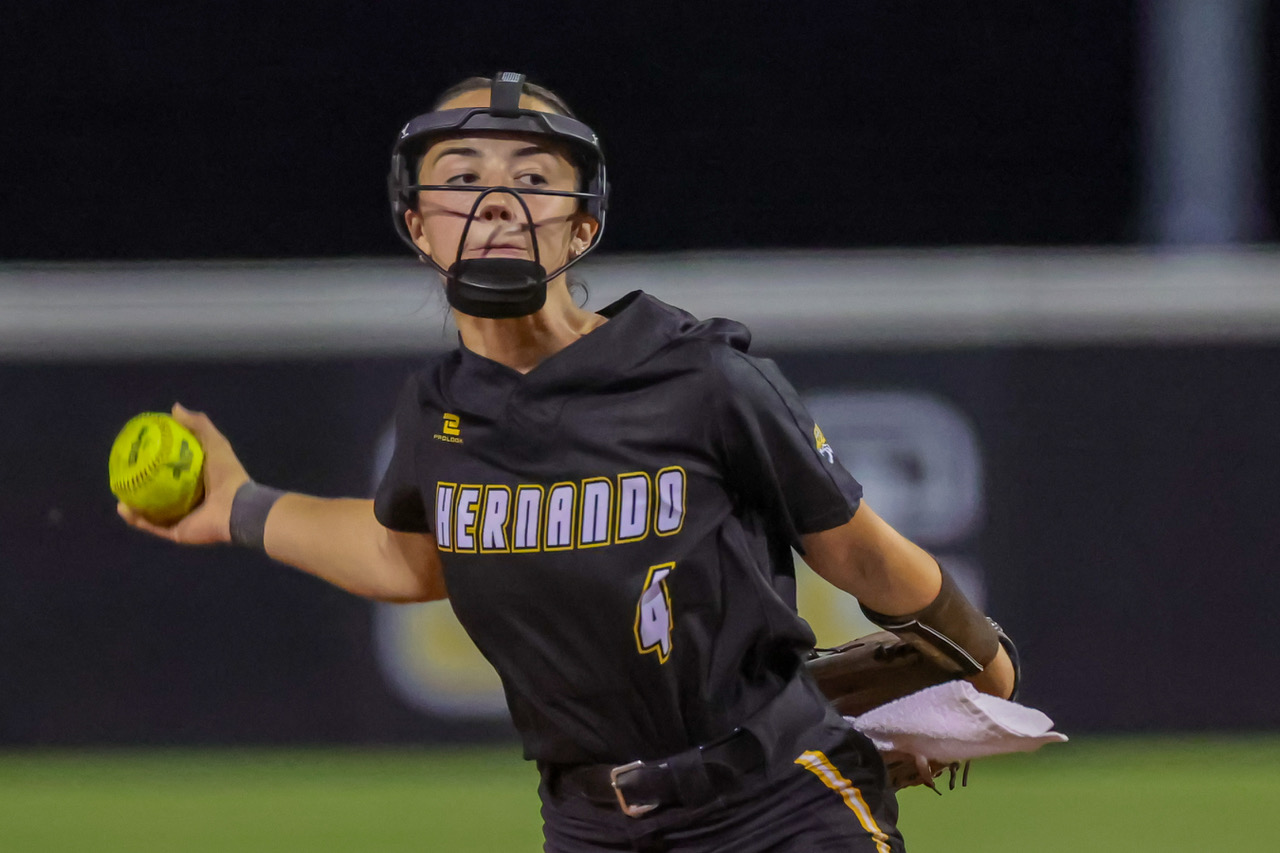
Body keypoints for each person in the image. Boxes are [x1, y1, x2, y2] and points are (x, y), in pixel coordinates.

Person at [119, 72, 1016, 852]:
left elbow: (852, 548)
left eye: (532, 179)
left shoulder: (702, 377)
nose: (496, 199)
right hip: (592, 824)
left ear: (580, 226)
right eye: (461, 178)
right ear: (418, 227)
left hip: (777, 804)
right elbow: (408, 555)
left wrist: (980, 655)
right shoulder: (437, 415)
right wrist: (240, 504)